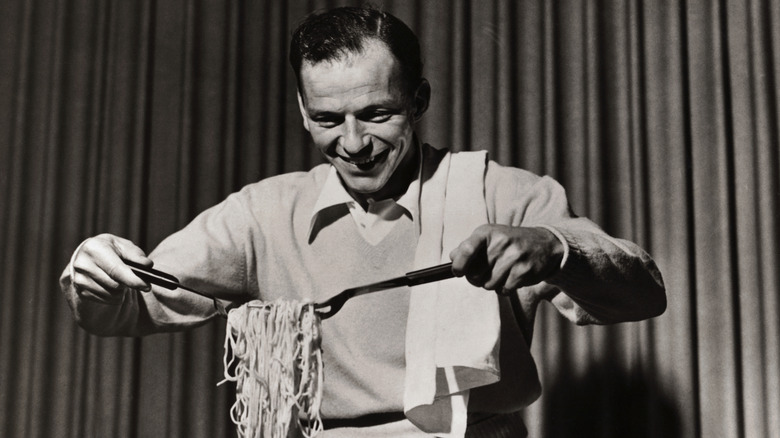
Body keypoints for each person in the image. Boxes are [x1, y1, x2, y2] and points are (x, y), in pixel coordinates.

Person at [60, 6, 666, 438]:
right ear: (302, 111)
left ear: (419, 100)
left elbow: (643, 291)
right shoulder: (262, 215)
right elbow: (130, 305)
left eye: (376, 114)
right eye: (328, 119)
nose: (353, 143)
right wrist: (97, 274)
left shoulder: (500, 194)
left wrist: (557, 249)